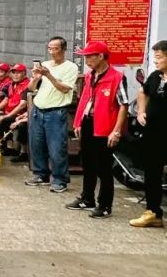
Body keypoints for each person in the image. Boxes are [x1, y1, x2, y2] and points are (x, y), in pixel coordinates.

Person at [64, 41, 127, 217]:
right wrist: (77, 122)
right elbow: (85, 99)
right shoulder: (90, 76)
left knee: (104, 167)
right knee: (88, 164)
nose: (87, 60)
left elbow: (124, 104)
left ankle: (105, 205)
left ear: (101, 56)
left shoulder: (117, 77)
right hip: (89, 122)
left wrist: (116, 130)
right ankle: (87, 198)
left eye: (89, 56)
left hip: (105, 127)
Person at [26, 36, 80, 194]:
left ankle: (59, 179)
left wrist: (48, 75)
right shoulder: (45, 65)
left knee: (56, 147)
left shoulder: (70, 67)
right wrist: (36, 78)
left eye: (55, 48)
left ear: (63, 49)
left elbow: (64, 88)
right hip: (38, 108)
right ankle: (40, 174)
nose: (51, 52)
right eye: (49, 48)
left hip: (56, 112)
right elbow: (30, 88)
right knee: (36, 145)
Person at [131, 40, 167, 228]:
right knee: (152, 172)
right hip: (154, 133)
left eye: (159, 57)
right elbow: (142, 92)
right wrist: (141, 111)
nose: (156, 61)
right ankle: (153, 213)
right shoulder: (156, 76)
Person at [0, 64, 30, 157]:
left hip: (21, 114)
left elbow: (23, 105)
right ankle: (5, 146)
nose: (15, 75)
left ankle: (22, 152)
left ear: (24, 74)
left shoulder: (27, 85)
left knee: (6, 120)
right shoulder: (11, 84)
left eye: (18, 73)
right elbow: (6, 99)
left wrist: (8, 115)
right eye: (14, 73)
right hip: (10, 112)